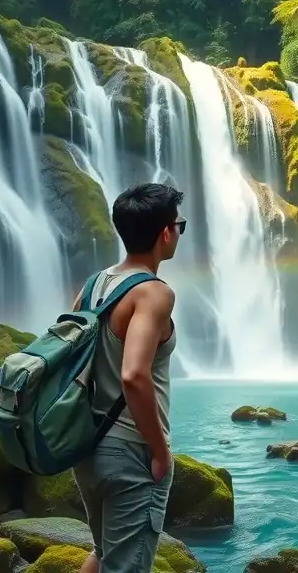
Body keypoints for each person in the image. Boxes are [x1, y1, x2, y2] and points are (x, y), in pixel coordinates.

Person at [72, 182, 186, 573]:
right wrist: (159, 451)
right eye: (179, 225)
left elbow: (71, 357)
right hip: (130, 451)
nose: (178, 233)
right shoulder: (153, 294)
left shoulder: (93, 285)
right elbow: (135, 375)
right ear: (165, 233)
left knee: (103, 552)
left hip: (87, 446)